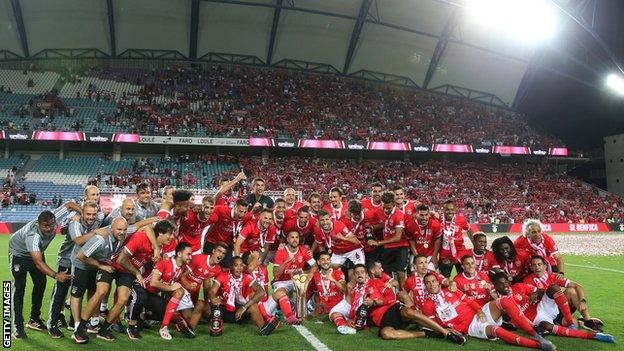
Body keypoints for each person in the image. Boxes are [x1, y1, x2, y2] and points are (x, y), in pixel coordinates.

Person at [421, 273, 556, 350]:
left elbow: (469, 302)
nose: (432, 284)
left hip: (479, 314)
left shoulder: (451, 290)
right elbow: (436, 325)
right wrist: (453, 330)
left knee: (504, 301)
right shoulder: (427, 305)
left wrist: (479, 310)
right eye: (428, 282)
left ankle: (535, 334)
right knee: (494, 330)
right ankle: (538, 345)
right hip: (470, 327)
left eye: (434, 281)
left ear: (438, 282)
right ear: (425, 286)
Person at [97, 220, 175, 341]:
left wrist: (158, 258)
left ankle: (103, 330)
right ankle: (87, 323)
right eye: (169, 234)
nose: (171, 237)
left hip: (126, 272)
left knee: (123, 298)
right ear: (160, 233)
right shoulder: (141, 237)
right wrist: (137, 272)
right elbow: (121, 260)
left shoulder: (160, 248)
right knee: (100, 292)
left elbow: (145, 259)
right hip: (112, 265)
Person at [348, 264, 465, 343]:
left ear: (367, 274)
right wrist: (351, 321)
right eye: (356, 273)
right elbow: (355, 313)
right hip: (384, 320)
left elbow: (391, 298)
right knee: (386, 334)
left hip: (392, 309)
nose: (359, 274)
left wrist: (375, 302)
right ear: (353, 275)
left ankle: (446, 332)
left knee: (409, 311)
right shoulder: (353, 291)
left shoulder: (376, 282)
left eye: (362, 272)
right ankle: (427, 333)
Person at [492, 272, 614, 344]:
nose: (505, 286)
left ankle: (571, 322)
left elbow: (541, 291)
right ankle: (594, 335)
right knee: (547, 326)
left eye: (506, 282)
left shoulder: (519, 286)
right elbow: (517, 320)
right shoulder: (498, 302)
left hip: (542, 307)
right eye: (500, 284)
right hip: (535, 319)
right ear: (495, 286)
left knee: (554, 288)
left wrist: (535, 294)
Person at [9, 206, 75, 339]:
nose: (49, 228)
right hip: (19, 255)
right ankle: (17, 325)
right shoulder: (33, 235)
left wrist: (81, 212)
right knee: (19, 289)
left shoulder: (52, 217)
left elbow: (69, 205)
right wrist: (56, 275)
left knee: (40, 284)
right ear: (39, 224)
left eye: (51, 225)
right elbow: (38, 263)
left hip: (37, 253)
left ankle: (34, 319)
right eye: (45, 226)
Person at [71, 217, 128, 343]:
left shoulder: (123, 235)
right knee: (82, 293)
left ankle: (98, 327)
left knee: (96, 292)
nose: (122, 232)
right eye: (119, 229)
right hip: (82, 264)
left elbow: (139, 225)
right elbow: (81, 256)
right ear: (111, 228)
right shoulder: (101, 239)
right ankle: (78, 329)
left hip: (97, 263)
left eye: (124, 229)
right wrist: (100, 266)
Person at [127, 242, 195, 340]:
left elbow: (166, 284)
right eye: (188, 254)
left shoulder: (182, 268)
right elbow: (153, 283)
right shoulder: (164, 261)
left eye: (191, 254)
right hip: (140, 287)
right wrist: (172, 288)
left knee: (170, 312)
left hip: (152, 295)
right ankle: (131, 326)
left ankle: (147, 318)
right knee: (142, 298)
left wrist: (173, 293)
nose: (191, 257)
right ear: (179, 254)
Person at [523, 255, 604, 332]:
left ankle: (588, 320)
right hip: (545, 311)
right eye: (534, 265)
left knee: (571, 291)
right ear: (531, 268)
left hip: (560, 306)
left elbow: (577, 286)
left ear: (545, 266)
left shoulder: (553, 276)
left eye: (539, 264)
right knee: (574, 323)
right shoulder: (527, 280)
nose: (537, 267)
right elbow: (528, 301)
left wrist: (583, 301)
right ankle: (578, 321)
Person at [208, 256, 278, 335]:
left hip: (238, 312)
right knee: (203, 305)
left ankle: (264, 328)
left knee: (253, 306)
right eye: (236, 265)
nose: (239, 268)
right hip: (222, 308)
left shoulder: (246, 277)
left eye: (241, 265)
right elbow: (212, 291)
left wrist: (244, 307)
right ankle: (211, 324)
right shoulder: (223, 275)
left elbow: (261, 292)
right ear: (231, 266)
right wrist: (213, 298)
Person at [272, 230, 317, 324]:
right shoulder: (280, 252)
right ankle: (289, 316)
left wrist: (310, 274)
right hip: (282, 281)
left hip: (296, 280)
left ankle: (308, 307)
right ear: (287, 239)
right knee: (281, 293)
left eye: (296, 237)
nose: (295, 240)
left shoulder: (303, 250)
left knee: (310, 282)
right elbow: (276, 274)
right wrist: (286, 261)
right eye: (292, 237)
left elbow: (315, 266)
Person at [369, 192, 408, 287]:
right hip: (387, 247)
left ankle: (403, 293)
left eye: (389, 208)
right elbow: (385, 223)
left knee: (400, 272)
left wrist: (379, 243)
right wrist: (372, 227)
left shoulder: (399, 215)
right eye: (384, 207)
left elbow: (398, 237)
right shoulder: (379, 211)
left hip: (400, 246)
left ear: (394, 204)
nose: (386, 210)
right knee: (385, 272)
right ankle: (388, 293)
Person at [311, 252, 355, 334]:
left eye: (328, 259)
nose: (326, 262)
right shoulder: (315, 275)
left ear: (330, 261)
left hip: (341, 304)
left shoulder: (337, 273)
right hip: (326, 308)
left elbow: (344, 289)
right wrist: (318, 305)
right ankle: (346, 320)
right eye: (323, 259)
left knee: (335, 314)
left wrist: (333, 280)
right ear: (318, 262)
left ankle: (343, 327)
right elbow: (316, 293)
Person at [203, 198, 250, 268]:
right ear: (235, 207)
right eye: (240, 211)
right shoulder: (221, 210)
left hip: (227, 245)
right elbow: (207, 211)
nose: (242, 215)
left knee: (227, 268)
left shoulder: (246, 216)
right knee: (207, 265)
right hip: (212, 242)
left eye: (244, 212)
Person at [438, 199, 472, 278]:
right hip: (445, 254)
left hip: (459, 253)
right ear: (443, 210)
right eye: (447, 210)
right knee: (444, 279)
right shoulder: (438, 219)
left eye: (452, 210)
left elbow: (468, 229)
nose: (450, 212)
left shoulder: (461, 219)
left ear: (455, 209)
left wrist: (474, 242)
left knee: (463, 277)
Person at [404, 204, 442, 270]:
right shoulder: (410, 225)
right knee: (414, 273)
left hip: (430, 254)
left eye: (426, 215)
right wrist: (416, 256)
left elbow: (438, 239)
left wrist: (434, 256)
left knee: (429, 274)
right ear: (416, 214)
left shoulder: (435, 224)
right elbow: (411, 240)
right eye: (421, 215)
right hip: (416, 253)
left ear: (429, 214)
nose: (424, 218)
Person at [343, 200, 381, 264]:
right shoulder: (344, 221)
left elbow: (383, 224)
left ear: (362, 209)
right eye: (354, 215)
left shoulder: (370, 214)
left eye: (359, 213)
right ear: (349, 212)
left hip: (370, 249)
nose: (357, 216)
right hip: (355, 250)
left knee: (373, 269)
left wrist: (372, 227)